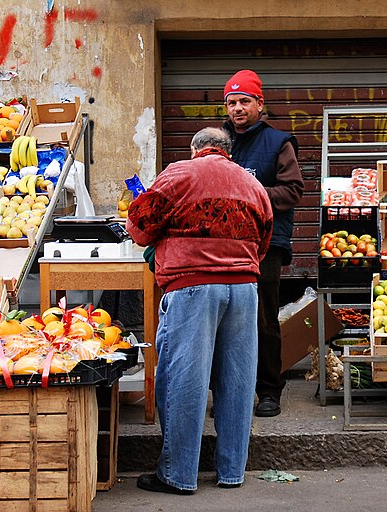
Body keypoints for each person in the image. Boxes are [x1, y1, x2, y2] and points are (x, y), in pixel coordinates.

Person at [126, 127, 273, 494]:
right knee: (237, 383)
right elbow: (264, 239)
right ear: (227, 151)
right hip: (244, 288)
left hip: (192, 286)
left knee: (183, 381)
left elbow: (141, 227)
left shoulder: (179, 173)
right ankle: (231, 472)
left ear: (196, 150)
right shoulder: (252, 184)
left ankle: (179, 475)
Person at [222, 69, 304, 418]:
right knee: (225, 318)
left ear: (259, 103)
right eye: (231, 103)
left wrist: (249, 193)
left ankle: (269, 389)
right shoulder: (217, 140)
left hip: (265, 243)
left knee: (262, 317)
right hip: (222, 243)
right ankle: (228, 391)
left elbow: (292, 190)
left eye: (244, 101)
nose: (238, 108)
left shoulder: (278, 142)